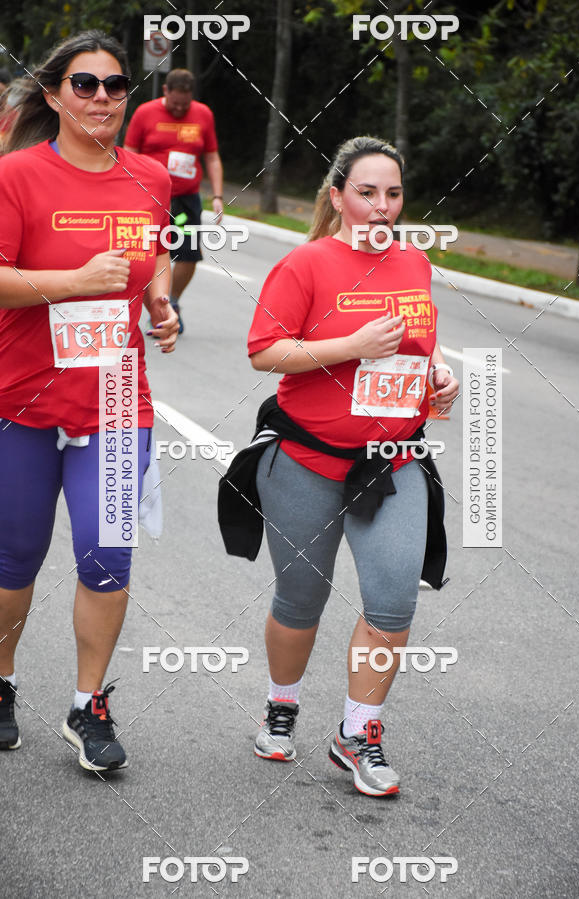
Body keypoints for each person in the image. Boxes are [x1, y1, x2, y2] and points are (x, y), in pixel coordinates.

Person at [219, 136, 459, 797]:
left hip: (392, 462)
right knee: (302, 597)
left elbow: (417, 349)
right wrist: (349, 344)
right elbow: (264, 351)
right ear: (338, 197)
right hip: (305, 459)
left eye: (393, 194)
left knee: (393, 596)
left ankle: (359, 731)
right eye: (367, 192)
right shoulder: (307, 265)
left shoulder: (415, 263)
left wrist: (438, 379)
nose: (382, 207)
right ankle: (281, 703)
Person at [0, 31, 178, 771]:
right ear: (53, 94)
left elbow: (156, 249)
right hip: (22, 398)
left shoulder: (148, 176)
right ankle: (2, 682)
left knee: (108, 553)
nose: (102, 97)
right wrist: (75, 280)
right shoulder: (15, 177)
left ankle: (88, 704)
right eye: (84, 84)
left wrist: (162, 301)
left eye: (114, 84)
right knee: (15, 556)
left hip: (113, 397)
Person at [124, 68, 224, 335]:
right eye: (175, 103)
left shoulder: (203, 114)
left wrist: (217, 196)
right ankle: (153, 306)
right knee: (150, 253)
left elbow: (212, 157)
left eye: (185, 103)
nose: (180, 109)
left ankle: (173, 300)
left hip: (186, 198)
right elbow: (129, 153)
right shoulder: (145, 113)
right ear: (165, 91)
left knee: (189, 253)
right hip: (150, 198)